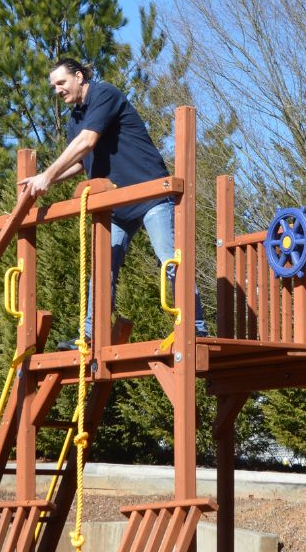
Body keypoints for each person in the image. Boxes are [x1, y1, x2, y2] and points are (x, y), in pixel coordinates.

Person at [21, 57, 207, 344]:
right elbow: (81, 162)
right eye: (53, 86)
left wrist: (47, 174)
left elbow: (87, 142)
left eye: (61, 82)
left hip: (150, 193)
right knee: (101, 268)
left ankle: (195, 327)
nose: (57, 90)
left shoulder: (104, 94)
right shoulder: (75, 119)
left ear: (79, 77)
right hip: (117, 205)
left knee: (170, 259)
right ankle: (90, 334)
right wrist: (44, 180)